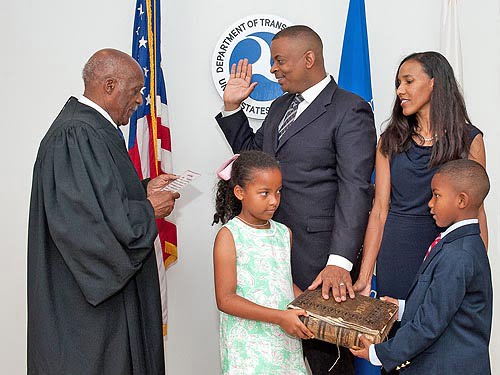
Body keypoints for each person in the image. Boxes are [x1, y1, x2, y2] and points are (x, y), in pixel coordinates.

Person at [215, 25, 376, 374]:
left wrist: (340, 261)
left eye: (279, 61)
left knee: (324, 359)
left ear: (309, 58)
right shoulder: (279, 106)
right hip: (271, 256)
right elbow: (256, 161)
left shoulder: (350, 109)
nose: (273, 69)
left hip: (319, 261)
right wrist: (232, 109)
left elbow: (355, 188)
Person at [27, 49, 180, 375]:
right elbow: (85, 228)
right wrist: (147, 211)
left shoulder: (91, 129)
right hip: (91, 319)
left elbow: (99, 199)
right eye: (136, 90)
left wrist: (143, 190)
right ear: (110, 85)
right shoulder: (78, 133)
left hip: (100, 310)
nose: (140, 100)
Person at [353, 51, 487, 312]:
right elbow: (380, 210)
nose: (400, 90)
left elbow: (476, 212)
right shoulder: (389, 141)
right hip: (398, 253)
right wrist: (365, 275)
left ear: (434, 83)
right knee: (400, 338)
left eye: (408, 81)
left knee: (443, 332)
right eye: (398, 84)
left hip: (448, 251)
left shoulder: (469, 140)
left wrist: (477, 270)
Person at [351, 159, 492, 375]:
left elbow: (429, 325)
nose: (430, 203)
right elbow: (445, 306)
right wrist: (403, 308)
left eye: (436, 195)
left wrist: (378, 353)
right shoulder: (455, 243)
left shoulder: (459, 255)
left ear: (461, 200)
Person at [212, 150, 312, 374]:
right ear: (240, 192)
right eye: (264, 193)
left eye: (278, 192)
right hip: (248, 346)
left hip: (284, 341)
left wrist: (312, 306)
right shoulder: (230, 236)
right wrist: (279, 317)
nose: (274, 201)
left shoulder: (284, 233)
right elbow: (225, 299)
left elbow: (283, 284)